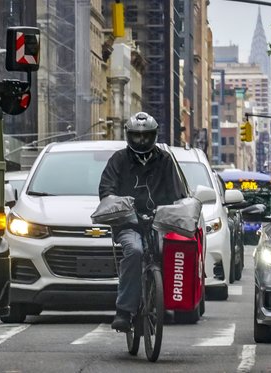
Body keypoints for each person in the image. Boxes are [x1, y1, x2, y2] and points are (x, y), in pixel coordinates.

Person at [99, 111, 187, 332]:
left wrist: (179, 208)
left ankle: (161, 300)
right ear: (129, 136)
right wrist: (121, 205)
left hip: (159, 222)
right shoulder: (118, 159)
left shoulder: (165, 160)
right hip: (128, 223)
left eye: (146, 136)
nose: (141, 140)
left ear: (154, 135)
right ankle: (124, 311)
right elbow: (106, 190)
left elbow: (178, 193)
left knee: (170, 250)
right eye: (136, 136)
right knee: (135, 251)